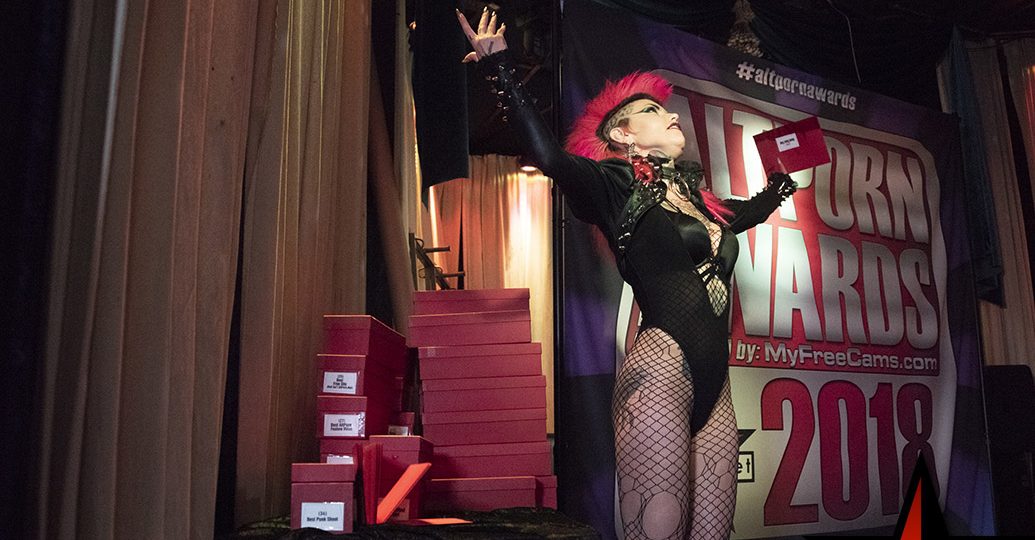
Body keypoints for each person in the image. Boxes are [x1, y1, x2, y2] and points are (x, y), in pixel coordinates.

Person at [456, 8, 796, 539]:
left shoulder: (700, 204)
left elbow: (743, 214)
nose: (672, 116)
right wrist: (499, 69)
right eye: (653, 111)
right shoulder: (615, 186)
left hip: (717, 387)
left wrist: (777, 188)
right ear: (623, 133)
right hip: (660, 373)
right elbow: (550, 158)